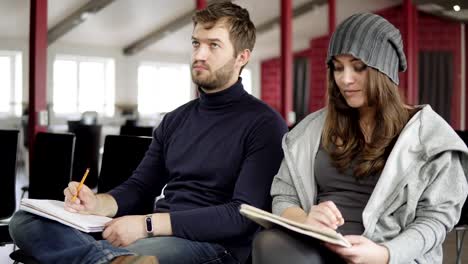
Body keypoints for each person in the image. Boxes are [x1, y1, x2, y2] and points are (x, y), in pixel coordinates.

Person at [9, 2, 288, 264]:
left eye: (213, 45)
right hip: (156, 231)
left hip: (214, 244)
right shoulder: (176, 119)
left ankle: (108, 258)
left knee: (129, 251)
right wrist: (97, 203)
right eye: (196, 43)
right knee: (25, 220)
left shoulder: (264, 124)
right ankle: (110, 260)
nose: (199, 55)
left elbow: (241, 215)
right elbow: (141, 187)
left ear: (242, 56)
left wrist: (146, 225)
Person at [253, 13, 468, 264]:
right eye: (338, 67)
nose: (345, 79)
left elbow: (437, 218)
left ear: (383, 70)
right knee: (267, 243)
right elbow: (284, 196)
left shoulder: (429, 136)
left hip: (390, 255)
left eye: (358, 67)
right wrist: (306, 220)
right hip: (318, 250)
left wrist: (385, 254)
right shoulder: (310, 131)